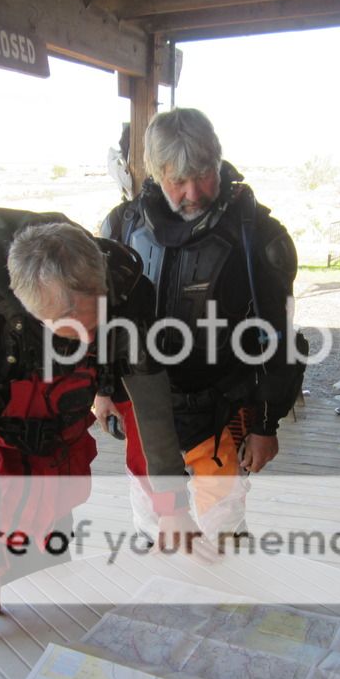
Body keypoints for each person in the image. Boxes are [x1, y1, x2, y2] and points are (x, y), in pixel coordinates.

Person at [0, 211, 215, 641]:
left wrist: (172, 504)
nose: (88, 342)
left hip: (50, 465)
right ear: (26, 305)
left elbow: (147, 400)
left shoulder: (124, 293)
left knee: (51, 602)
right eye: (70, 329)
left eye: (95, 323)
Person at [99, 108, 304, 541]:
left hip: (221, 407)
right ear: (155, 173)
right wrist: (102, 389)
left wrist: (267, 425)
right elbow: (105, 321)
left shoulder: (259, 238)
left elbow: (280, 338)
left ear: (219, 162)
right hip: (142, 407)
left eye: (204, 174)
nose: (193, 192)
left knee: (223, 534)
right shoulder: (121, 227)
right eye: (178, 180)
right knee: (155, 529)